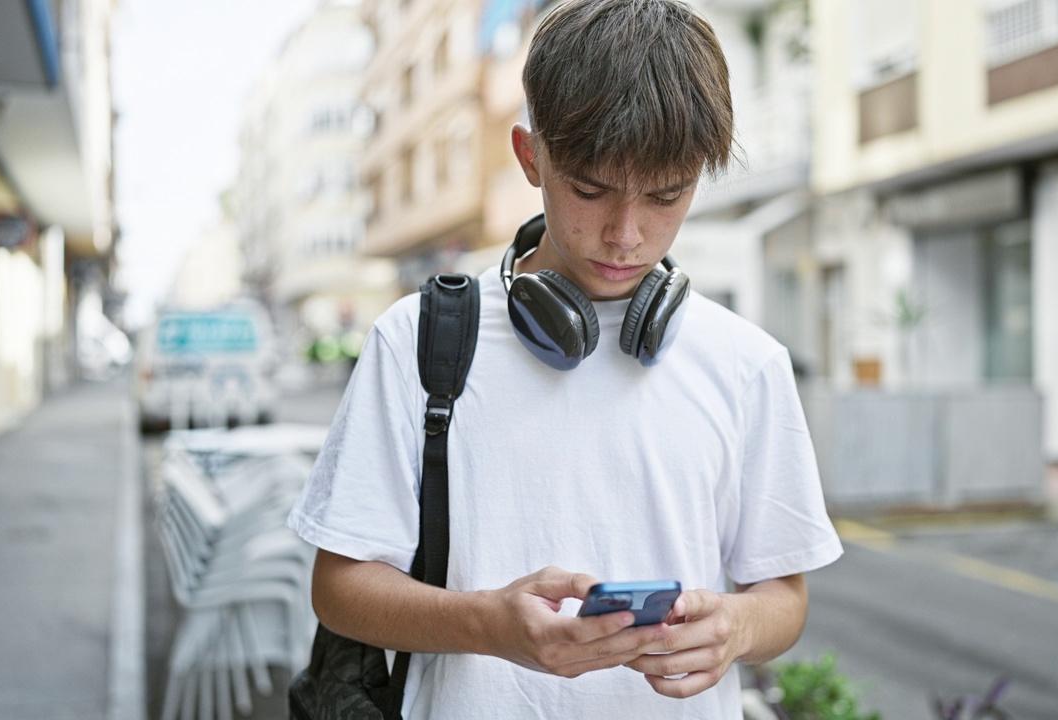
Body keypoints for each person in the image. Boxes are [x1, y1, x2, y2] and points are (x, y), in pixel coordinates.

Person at [286, 0, 843, 716]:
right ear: (529, 156)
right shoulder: (417, 341)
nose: (625, 234)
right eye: (589, 190)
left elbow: (783, 598)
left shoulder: (747, 364)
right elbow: (339, 589)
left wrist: (737, 628)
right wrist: (489, 624)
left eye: (666, 196)